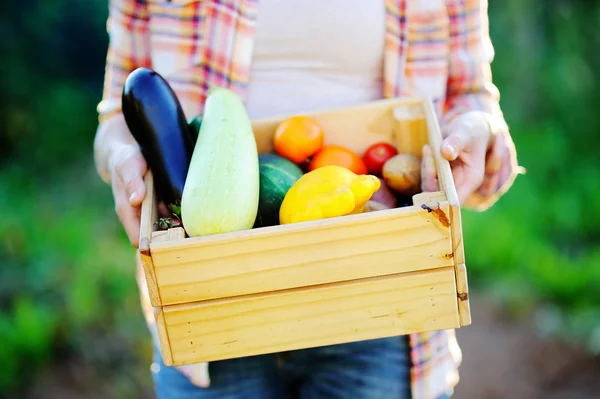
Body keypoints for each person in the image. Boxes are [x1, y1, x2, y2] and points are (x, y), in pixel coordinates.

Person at [93, 0, 521, 398]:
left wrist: (476, 132)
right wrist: (118, 154)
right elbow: (118, 110)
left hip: (380, 295)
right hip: (210, 305)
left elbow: (472, 94)